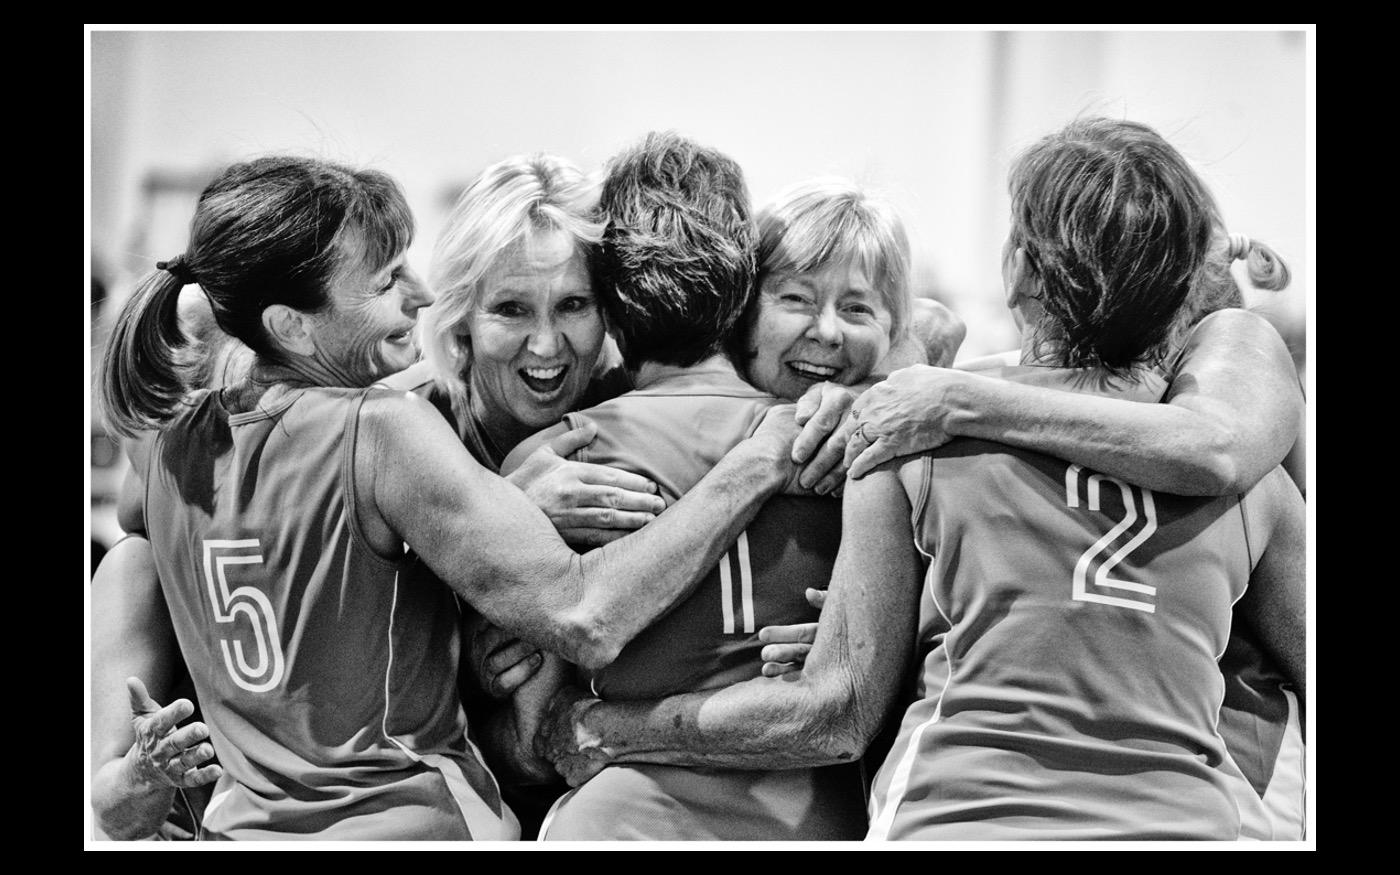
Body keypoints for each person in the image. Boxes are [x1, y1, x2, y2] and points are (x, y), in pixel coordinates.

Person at [534, 118, 1306, 841]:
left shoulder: (912, 440)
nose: (825, 329)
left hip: (957, 813)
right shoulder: (1256, 483)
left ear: (1021, 275)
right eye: (797, 298)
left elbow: (836, 710)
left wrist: (607, 725)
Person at [90, 154, 812, 841]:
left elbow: (158, 498)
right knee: (130, 562)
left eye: (573, 304)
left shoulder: (179, 438)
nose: (546, 342)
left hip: (306, 808)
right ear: (463, 316)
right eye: (510, 307)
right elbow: (583, 617)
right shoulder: (391, 423)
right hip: (433, 804)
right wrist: (498, 526)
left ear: (613, 310)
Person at [498, 138, 927, 841]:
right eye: (795, 297)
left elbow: (535, 740)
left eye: (856, 309)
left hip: (617, 822)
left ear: (606, 300)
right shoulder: (870, 453)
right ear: (744, 296)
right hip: (818, 822)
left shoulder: (556, 456)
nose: (823, 331)